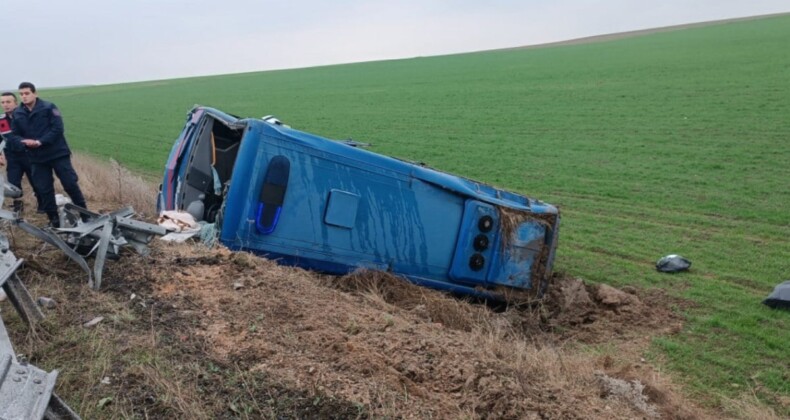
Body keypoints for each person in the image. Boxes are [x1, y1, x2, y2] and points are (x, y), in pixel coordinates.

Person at [11, 82, 86, 227]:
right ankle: (54, 220)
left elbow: (58, 129)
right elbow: (14, 135)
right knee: (44, 189)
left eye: (27, 93)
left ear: (35, 93)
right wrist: (23, 141)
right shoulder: (18, 113)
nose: (24, 96)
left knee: (70, 184)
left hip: (57, 154)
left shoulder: (49, 107)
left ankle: (85, 214)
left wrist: (40, 142)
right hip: (36, 158)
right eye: (21, 94)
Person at [0, 91, 40, 213]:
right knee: (13, 183)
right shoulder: (1, 120)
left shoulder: (26, 117)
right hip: (12, 156)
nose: (5, 105)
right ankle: (18, 206)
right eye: (2, 102)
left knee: (36, 181)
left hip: (29, 155)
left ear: (16, 103)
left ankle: (43, 205)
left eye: (8, 102)